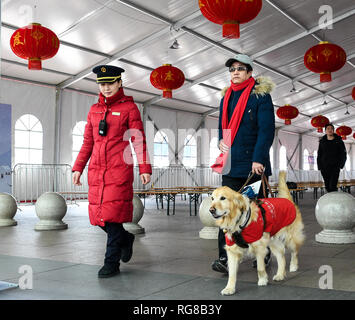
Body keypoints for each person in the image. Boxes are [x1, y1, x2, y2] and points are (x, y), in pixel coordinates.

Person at [72, 65, 152, 278]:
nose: (106, 88)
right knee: (99, 217)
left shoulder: (129, 109)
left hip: (119, 171)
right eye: (102, 84)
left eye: (110, 83)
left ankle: (111, 263)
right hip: (97, 172)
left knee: (113, 218)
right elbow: (88, 142)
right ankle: (126, 239)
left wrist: (145, 167)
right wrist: (78, 167)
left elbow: (138, 139)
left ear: (119, 83)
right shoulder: (94, 110)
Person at [211, 54, 276, 273]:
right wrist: (221, 140)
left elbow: (266, 130)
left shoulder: (261, 97)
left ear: (250, 72)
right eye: (232, 69)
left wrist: (259, 158)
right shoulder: (226, 96)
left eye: (240, 68)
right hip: (230, 164)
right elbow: (223, 125)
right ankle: (225, 257)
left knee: (255, 210)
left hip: (252, 164)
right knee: (224, 209)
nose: (235, 72)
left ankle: (263, 253)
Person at [317, 123, 346, 192]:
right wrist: (319, 166)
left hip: (335, 167)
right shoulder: (322, 142)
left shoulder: (339, 141)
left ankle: (334, 199)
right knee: (327, 186)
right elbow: (319, 154)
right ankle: (330, 200)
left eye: (331, 129)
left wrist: (341, 165)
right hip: (324, 167)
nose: (330, 130)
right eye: (328, 129)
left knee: (332, 185)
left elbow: (343, 154)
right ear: (325, 131)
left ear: (333, 130)